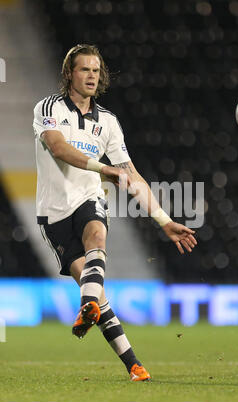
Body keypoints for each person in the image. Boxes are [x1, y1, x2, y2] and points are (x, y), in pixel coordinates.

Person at [33, 44, 197, 382]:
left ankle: (88, 308)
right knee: (97, 292)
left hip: (88, 198)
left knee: (97, 234)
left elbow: (130, 174)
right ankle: (133, 365)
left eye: (96, 70)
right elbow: (57, 147)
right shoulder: (48, 108)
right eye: (84, 70)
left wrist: (164, 221)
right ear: (69, 74)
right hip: (52, 213)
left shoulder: (107, 121)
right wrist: (104, 169)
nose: (92, 76)